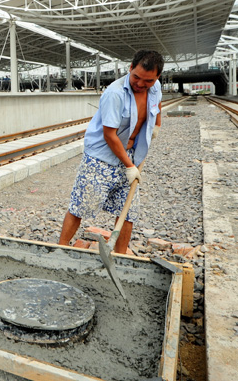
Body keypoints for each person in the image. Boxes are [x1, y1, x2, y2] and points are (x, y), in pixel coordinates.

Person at [58, 49, 164, 252]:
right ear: (130, 68)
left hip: (131, 155)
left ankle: (120, 256)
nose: (141, 84)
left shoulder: (155, 86)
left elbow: (157, 101)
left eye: (148, 81)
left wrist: (157, 123)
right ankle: (60, 249)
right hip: (101, 159)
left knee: (128, 212)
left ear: (157, 77)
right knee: (81, 205)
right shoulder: (115, 94)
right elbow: (110, 135)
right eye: (137, 77)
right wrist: (130, 166)